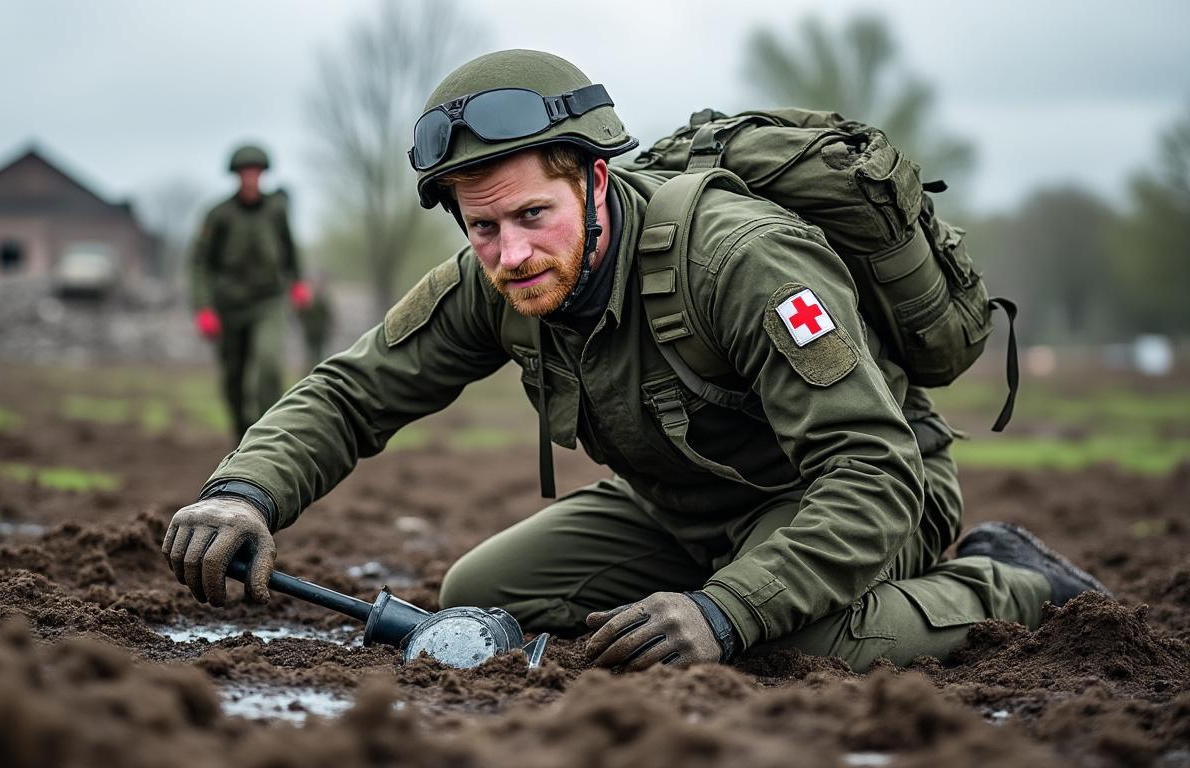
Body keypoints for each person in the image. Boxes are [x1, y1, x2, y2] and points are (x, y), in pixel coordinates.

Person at [163, 51, 1108, 672]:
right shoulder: (489, 275)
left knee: (782, 649)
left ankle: (1006, 580)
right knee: (480, 597)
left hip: (859, 499)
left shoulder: (738, 261)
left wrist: (729, 611)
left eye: (534, 215)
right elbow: (353, 389)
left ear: (596, 181)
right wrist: (245, 490)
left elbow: (872, 473)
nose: (510, 254)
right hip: (681, 509)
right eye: (482, 226)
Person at [189, 144, 311, 444]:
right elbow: (199, 263)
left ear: (263, 174)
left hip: (268, 300)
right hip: (229, 305)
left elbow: (289, 250)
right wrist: (203, 307)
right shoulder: (219, 215)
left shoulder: (275, 210)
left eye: (256, 172)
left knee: (269, 362)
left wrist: (298, 282)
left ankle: (266, 436)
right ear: (236, 176)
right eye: (245, 172)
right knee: (234, 376)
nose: (250, 178)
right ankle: (240, 434)